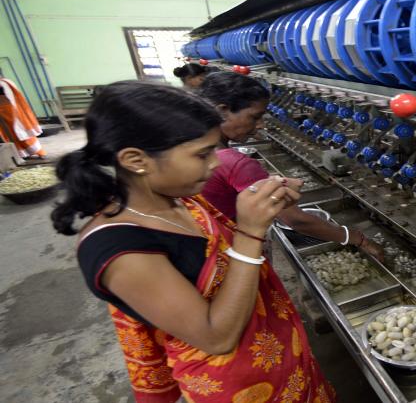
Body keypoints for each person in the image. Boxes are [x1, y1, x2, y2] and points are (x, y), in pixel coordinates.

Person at [51, 81, 335, 403]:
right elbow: (216, 337)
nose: (215, 162)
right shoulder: (120, 250)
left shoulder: (178, 200)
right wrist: (250, 230)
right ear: (135, 160)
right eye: (202, 153)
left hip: (281, 362)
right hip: (240, 389)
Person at [197, 72, 384, 260]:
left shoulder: (196, 150)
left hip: (212, 247)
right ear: (221, 111)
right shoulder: (236, 163)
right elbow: (296, 220)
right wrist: (358, 239)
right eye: (255, 117)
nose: (261, 125)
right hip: (237, 251)